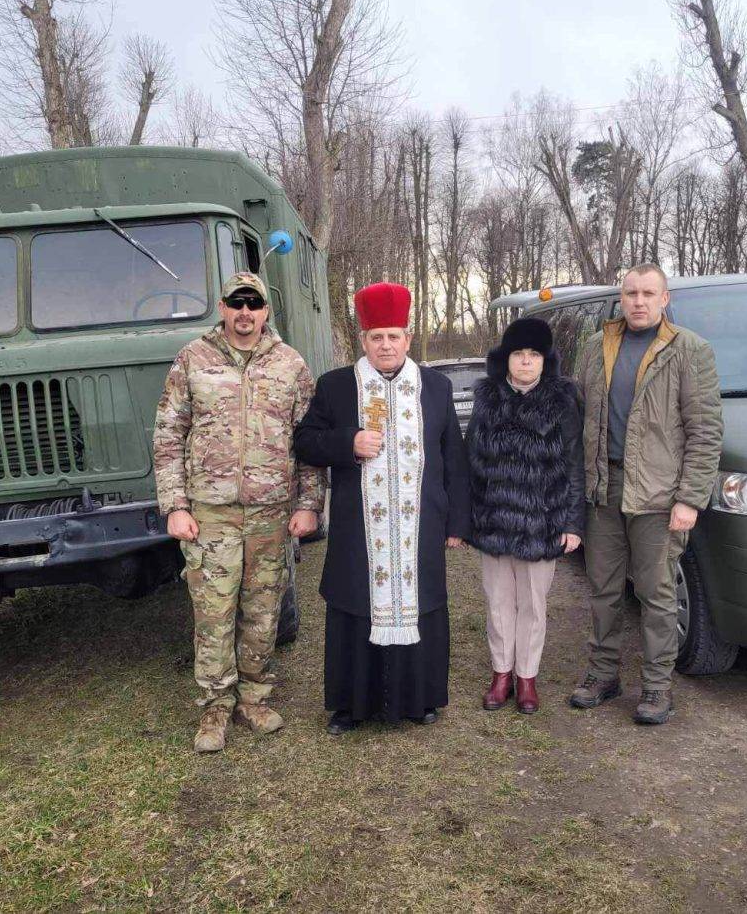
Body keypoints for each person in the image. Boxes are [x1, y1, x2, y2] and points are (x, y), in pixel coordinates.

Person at [153, 272, 326, 752]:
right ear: (222, 307)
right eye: (237, 303)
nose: (245, 313)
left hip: (271, 512)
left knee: (264, 608)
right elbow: (168, 435)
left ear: (266, 311)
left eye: (254, 304)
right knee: (213, 611)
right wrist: (175, 505)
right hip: (210, 513)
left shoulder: (290, 365)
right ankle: (215, 706)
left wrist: (310, 504)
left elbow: (308, 442)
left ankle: (254, 695)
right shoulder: (193, 359)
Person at [294, 281, 470, 734]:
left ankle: (421, 699)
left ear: (408, 338)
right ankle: (351, 707)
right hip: (360, 528)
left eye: (394, 336)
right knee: (356, 605)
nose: (386, 345)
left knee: (422, 603)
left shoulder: (435, 386)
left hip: (420, 521)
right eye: (377, 337)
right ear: (364, 340)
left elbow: (454, 456)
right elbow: (305, 441)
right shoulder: (336, 386)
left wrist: (456, 519)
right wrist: (347, 442)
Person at [569, 263, 723, 725]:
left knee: (657, 595)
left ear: (664, 298)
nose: (638, 301)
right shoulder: (596, 346)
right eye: (631, 292)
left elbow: (705, 432)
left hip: (659, 495)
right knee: (603, 590)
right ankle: (603, 674)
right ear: (621, 296)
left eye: (647, 293)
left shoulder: (689, 351)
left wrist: (690, 498)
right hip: (605, 489)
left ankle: (657, 687)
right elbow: (581, 418)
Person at [465, 318, 584, 714]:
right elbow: (470, 460)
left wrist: (572, 522)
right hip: (495, 519)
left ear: (545, 361)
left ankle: (527, 677)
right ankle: (501, 675)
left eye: (534, 355)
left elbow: (574, 465)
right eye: (519, 354)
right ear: (506, 359)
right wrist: (467, 517)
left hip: (542, 522)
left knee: (533, 604)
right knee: (498, 601)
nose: (526, 362)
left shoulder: (563, 400)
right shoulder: (487, 399)